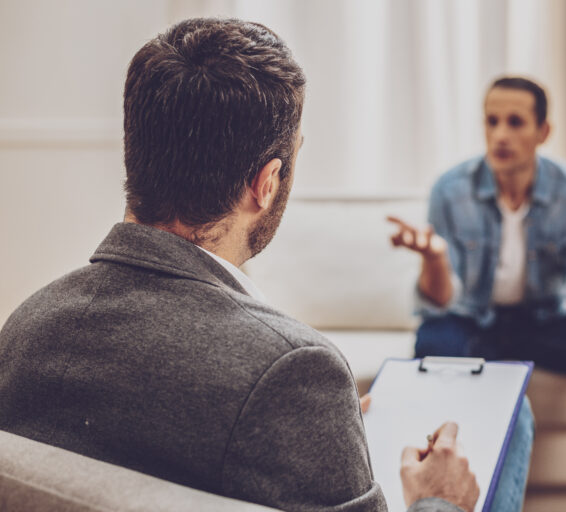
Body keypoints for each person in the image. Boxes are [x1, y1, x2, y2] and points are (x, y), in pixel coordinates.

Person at [0, 18, 536, 512]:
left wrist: (318, 433)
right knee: (515, 426)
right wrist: (441, 502)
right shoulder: (294, 368)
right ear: (267, 182)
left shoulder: (27, 326)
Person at [388, 76, 566, 512]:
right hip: (472, 320)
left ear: (543, 131)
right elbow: (440, 301)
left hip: (543, 320)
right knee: (432, 343)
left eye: (515, 122)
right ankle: (437, 504)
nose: (500, 135)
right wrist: (434, 259)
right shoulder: (450, 190)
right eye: (491, 121)